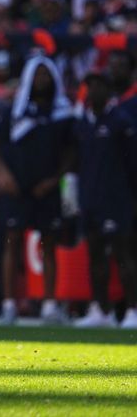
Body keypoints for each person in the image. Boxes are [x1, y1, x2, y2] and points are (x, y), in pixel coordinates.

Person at [0, 54, 75, 325]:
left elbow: (71, 151)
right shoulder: (14, 112)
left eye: (46, 75)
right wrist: (1, 177)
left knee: (49, 244)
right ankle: (9, 303)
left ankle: (49, 304)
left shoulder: (62, 113)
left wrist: (55, 179)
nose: (42, 81)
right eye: (37, 75)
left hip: (46, 188)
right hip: (15, 189)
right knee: (11, 242)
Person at [73, 73, 137, 328]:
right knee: (95, 256)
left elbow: (133, 164)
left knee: (124, 256)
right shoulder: (83, 123)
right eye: (89, 86)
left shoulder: (121, 122)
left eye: (98, 86)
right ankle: (101, 309)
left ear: (108, 91)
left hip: (117, 200)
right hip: (91, 200)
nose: (92, 92)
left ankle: (133, 309)